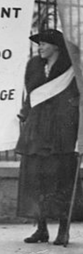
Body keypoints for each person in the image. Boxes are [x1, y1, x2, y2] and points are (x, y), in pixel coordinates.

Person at [16, 29, 83, 246]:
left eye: (44, 44)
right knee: (35, 180)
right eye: (39, 44)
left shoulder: (72, 67)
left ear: (56, 46)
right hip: (36, 130)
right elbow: (30, 94)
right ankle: (41, 229)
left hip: (62, 132)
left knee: (61, 180)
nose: (40, 47)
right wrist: (25, 114)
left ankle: (63, 230)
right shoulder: (34, 65)